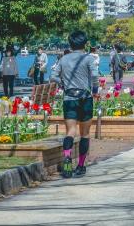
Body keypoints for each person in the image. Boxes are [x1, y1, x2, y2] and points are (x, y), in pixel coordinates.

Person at [51, 30, 97, 178]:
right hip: (85, 98)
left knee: (70, 132)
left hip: (69, 98)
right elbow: (95, 76)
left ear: (70, 44)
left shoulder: (64, 59)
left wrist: (63, 84)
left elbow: (53, 76)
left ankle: (67, 158)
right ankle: (81, 165)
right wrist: (94, 90)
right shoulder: (89, 58)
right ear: (85, 43)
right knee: (85, 134)